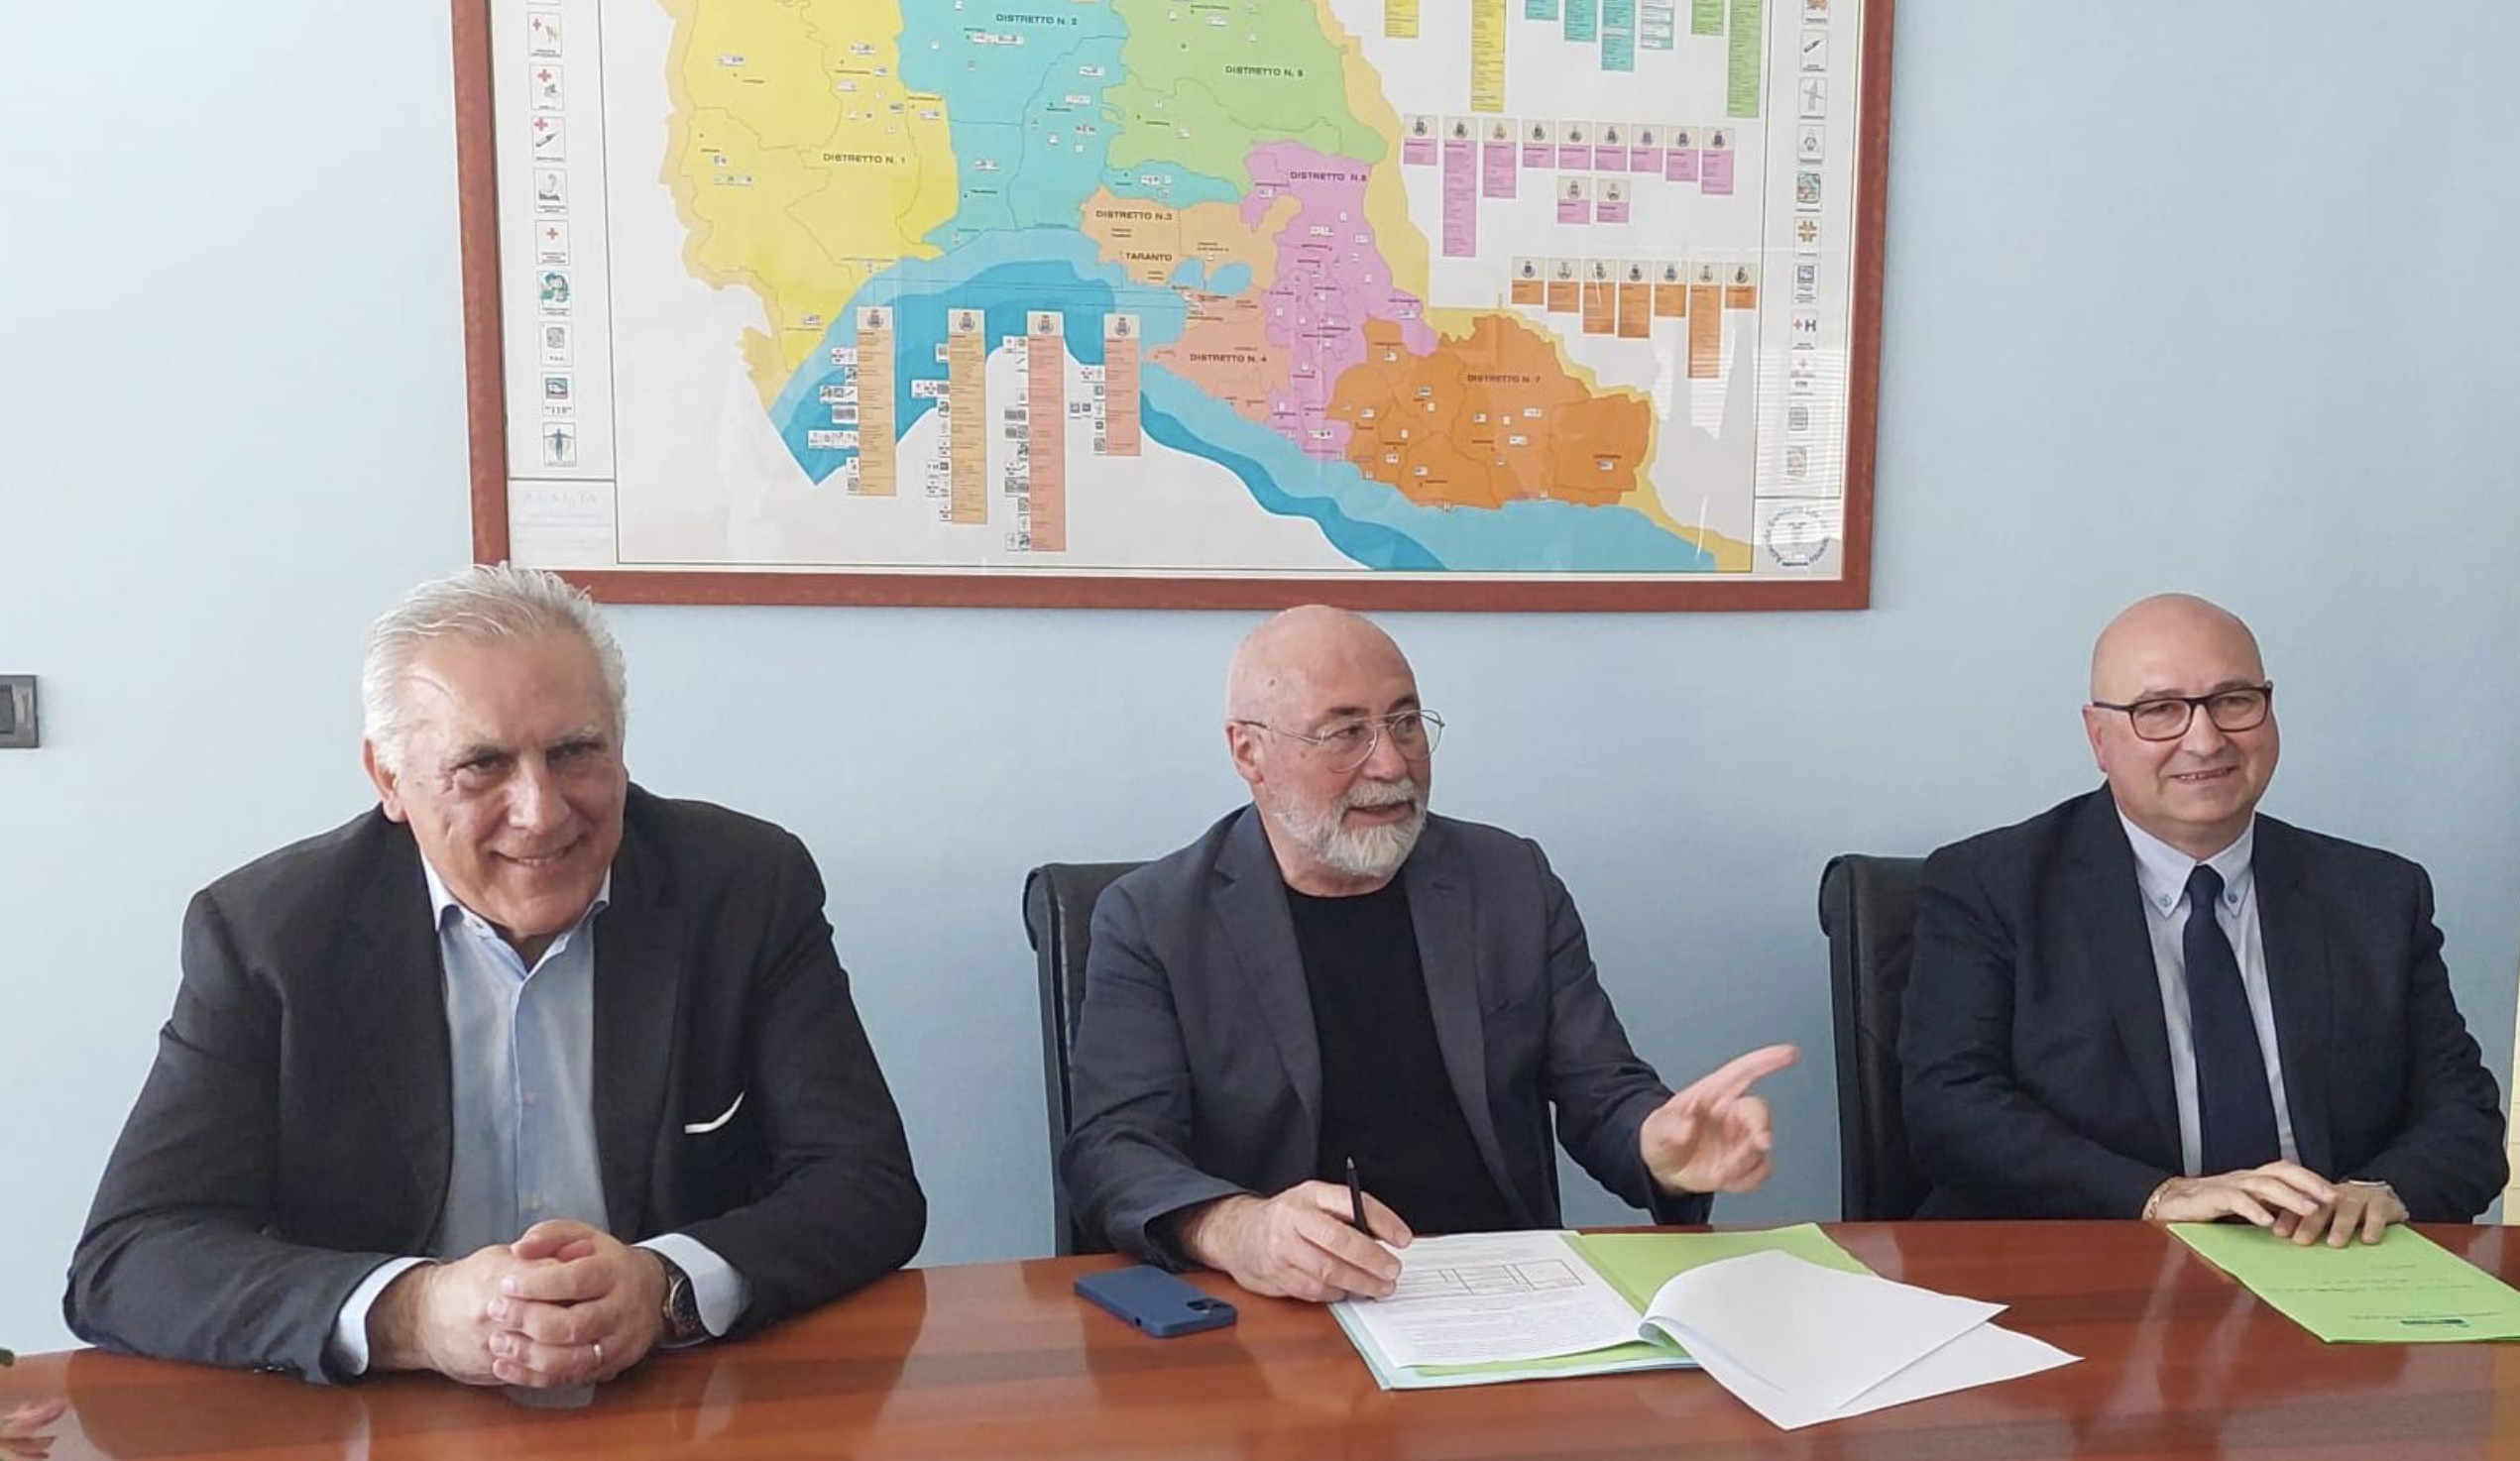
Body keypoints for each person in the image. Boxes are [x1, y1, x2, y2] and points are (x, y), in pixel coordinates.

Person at [65, 565, 924, 1385]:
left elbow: (866, 1185)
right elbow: (129, 1258)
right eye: (482, 765)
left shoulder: (744, 887)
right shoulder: (268, 934)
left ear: (621, 748)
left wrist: (666, 1286)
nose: (541, 812)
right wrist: (413, 1313)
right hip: (386, 1415)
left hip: (682, 1401)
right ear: (389, 778)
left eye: (575, 752)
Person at [1059, 606, 1794, 1301]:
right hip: (1283, 1307)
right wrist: (1238, 1228)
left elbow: (1601, 1090)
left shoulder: (1509, 882)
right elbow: (1114, 1150)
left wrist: (1658, 1145)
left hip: (1504, 1290)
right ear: (1249, 752)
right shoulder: (1154, 919)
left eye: (1405, 723)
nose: (1391, 764)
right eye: (1345, 732)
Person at [1900, 593, 2504, 1243]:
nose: (2205, 739)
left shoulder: (2377, 895)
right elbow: (1950, 1111)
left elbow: (2464, 1115)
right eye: (2159, 711)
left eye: (2234, 701)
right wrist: (2159, 1195)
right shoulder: (1991, 888)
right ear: (2099, 737)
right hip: (2090, 1257)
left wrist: (2383, 1192)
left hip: (2327, 1261)